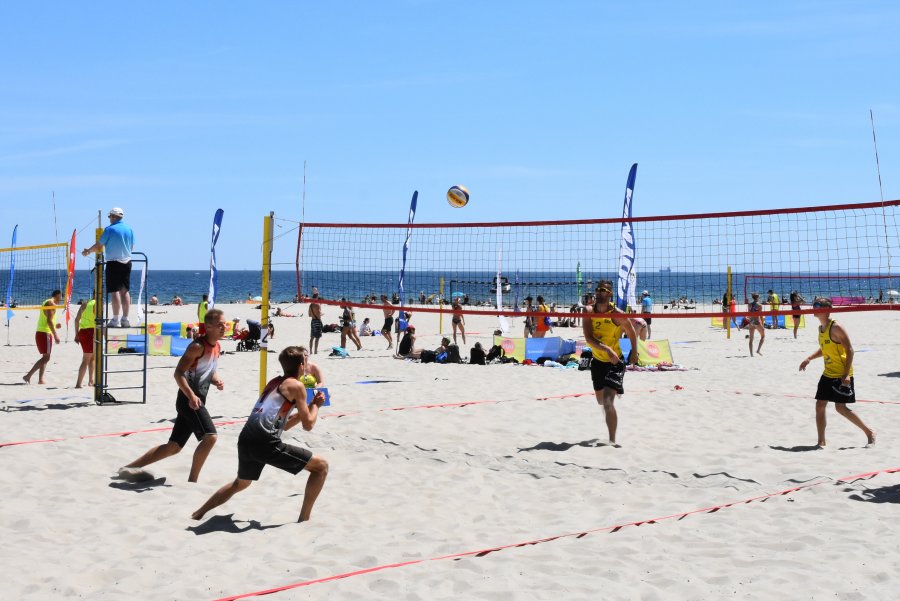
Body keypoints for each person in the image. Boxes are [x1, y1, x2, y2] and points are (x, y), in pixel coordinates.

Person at [191, 346, 329, 523]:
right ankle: (304, 520)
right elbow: (308, 425)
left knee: (240, 483)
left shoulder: (273, 382)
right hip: (265, 442)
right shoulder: (297, 385)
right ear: (302, 366)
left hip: (246, 439)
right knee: (321, 467)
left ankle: (199, 512)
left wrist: (309, 408)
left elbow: (284, 426)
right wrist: (317, 405)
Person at [117, 309, 227, 482]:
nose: (224, 327)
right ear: (208, 326)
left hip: (196, 400)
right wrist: (191, 395)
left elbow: (206, 372)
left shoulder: (217, 347)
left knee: (173, 447)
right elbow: (178, 373)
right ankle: (192, 481)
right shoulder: (197, 346)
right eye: (220, 325)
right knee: (210, 437)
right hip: (188, 400)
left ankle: (128, 468)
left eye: (225, 324)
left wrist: (216, 380)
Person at [799, 297, 875, 448]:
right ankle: (821, 442)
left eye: (818, 305)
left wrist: (846, 374)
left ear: (826, 310)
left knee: (840, 408)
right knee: (820, 405)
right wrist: (809, 358)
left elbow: (850, 350)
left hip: (841, 373)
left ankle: (869, 432)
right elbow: (825, 349)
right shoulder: (821, 329)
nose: (814, 307)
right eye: (814, 305)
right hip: (827, 373)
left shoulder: (836, 327)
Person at [581, 281, 638, 446]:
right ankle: (613, 389)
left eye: (603, 290)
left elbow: (631, 332)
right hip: (598, 361)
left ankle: (612, 441)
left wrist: (634, 352)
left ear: (610, 294)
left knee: (607, 402)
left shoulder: (617, 314)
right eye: (598, 290)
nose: (599, 292)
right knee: (600, 401)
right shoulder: (588, 311)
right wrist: (606, 349)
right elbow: (589, 339)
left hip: (615, 362)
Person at [81, 207, 134, 328]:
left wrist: (88, 251)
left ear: (114, 217)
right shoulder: (129, 229)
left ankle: (116, 320)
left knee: (114, 291)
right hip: (127, 262)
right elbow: (132, 247)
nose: (109, 219)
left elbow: (99, 246)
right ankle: (125, 319)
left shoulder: (110, 229)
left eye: (110, 216)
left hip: (113, 263)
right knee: (125, 291)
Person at [23, 289, 62, 384]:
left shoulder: (46, 302)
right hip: (45, 333)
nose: (61, 300)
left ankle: (40, 379)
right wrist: (56, 335)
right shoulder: (51, 303)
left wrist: (55, 325)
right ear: (58, 295)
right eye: (61, 297)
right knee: (46, 358)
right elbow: (48, 321)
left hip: (41, 332)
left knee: (45, 357)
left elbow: (47, 319)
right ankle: (28, 376)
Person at [74, 293, 97, 388]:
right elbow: (97, 322)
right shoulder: (96, 304)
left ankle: (91, 381)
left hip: (82, 332)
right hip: (91, 332)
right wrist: (96, 335)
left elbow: (76, 320)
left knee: (92, 358)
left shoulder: (84, 303)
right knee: (86, 359)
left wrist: (76, 334)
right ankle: (78, 384)